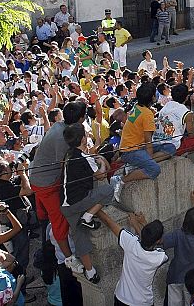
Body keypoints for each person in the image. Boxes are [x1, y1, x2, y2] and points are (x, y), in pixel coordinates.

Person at [28, 101, 87, 274]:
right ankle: (69, 259)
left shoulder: (60, 127)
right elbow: (65, 166)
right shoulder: (62, 137)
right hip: (46, 184)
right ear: (80, 119)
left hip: (41, 178)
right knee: (59, 221)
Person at [60, 123, 114, 284]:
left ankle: (90, 272)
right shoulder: (84, 157)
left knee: (79, 236)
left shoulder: (68, 156)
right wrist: (102, 162)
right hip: (79, 201)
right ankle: (89, 216)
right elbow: (100, 176)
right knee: (108, 190)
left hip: (65, 206)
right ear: (83, 139)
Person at [111, 83, 174, 201]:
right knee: (154, 170)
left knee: (171, 147)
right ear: (152, 98)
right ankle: (121, 180)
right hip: (131, 150)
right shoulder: (147, 114)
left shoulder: (138, 106)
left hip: (136, 146)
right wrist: (149, 160)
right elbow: (148, 141)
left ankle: (139, 163)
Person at [97, 210, 168, 306]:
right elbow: (148, 244)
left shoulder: (130, 243)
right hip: (143, 302)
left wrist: (135, 224)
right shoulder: (159, 257)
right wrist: (142, 224)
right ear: (158, 240)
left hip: (122, 298)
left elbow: (108, 221)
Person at [163, 191, 194, 306]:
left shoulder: (178, 235)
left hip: (176, 276)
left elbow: (159, 241)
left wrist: (142, 224)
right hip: (192, 280)